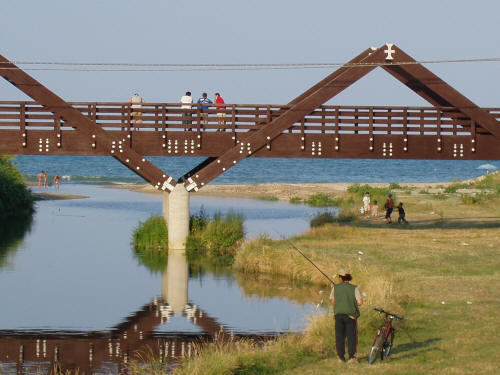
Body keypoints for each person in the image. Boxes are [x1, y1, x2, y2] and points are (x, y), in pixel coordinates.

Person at [330, 269, 363, 363]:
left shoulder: (335, 288)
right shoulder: (354, 288)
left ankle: (341, 358)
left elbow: (332, 302)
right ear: (349, 278)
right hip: (351, 316)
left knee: (339, 336)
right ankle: (352, 357)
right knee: (351, 336)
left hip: (338, 316)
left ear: (341, 278)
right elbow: (360, 303)